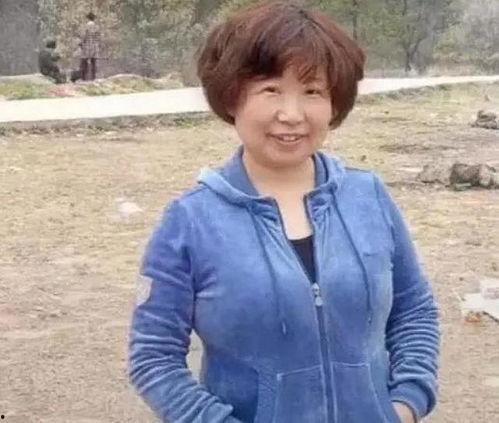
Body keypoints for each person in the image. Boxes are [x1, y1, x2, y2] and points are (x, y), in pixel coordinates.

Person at [128, 2, 440, 423]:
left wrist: (406, 404)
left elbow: (413, 309)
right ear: (232, 96)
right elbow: (153, 357)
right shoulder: (190, 221)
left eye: (312, 91)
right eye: (271, 89)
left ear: (334, 102)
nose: (291, 115)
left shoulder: (367, 196)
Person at [81, 12, 101, 81]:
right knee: (94, 61)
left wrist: (82, 42)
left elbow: (84, 35)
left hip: (87, 45)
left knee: (84, 61)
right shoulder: (96, 26)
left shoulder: (87, 25)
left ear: (88, 18)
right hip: (94, 45)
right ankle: (93, 77)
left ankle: (84, 77)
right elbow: (98, 36)